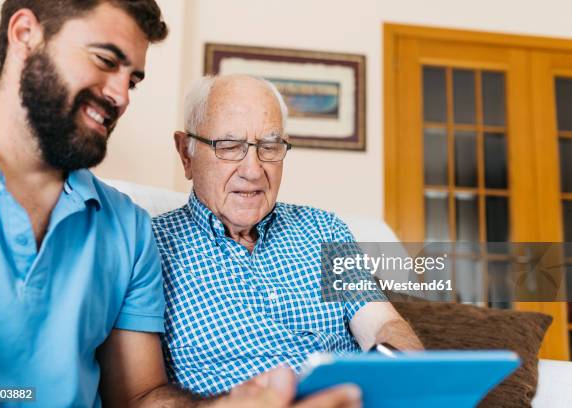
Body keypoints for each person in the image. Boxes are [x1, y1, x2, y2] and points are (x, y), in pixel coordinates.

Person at [0, 1, 360, 407]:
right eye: (104, 60)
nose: (121, 97)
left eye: (132, 81)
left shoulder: (126, 228)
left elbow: (139, 396)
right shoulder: (161, 237)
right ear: (25, 34)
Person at [152, 74, 424, 396]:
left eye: (269, 147)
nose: (253, 171)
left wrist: (409, 382)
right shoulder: (147, 249)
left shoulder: (324, 230)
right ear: (186, 154)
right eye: (229, 146)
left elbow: (381, 324)